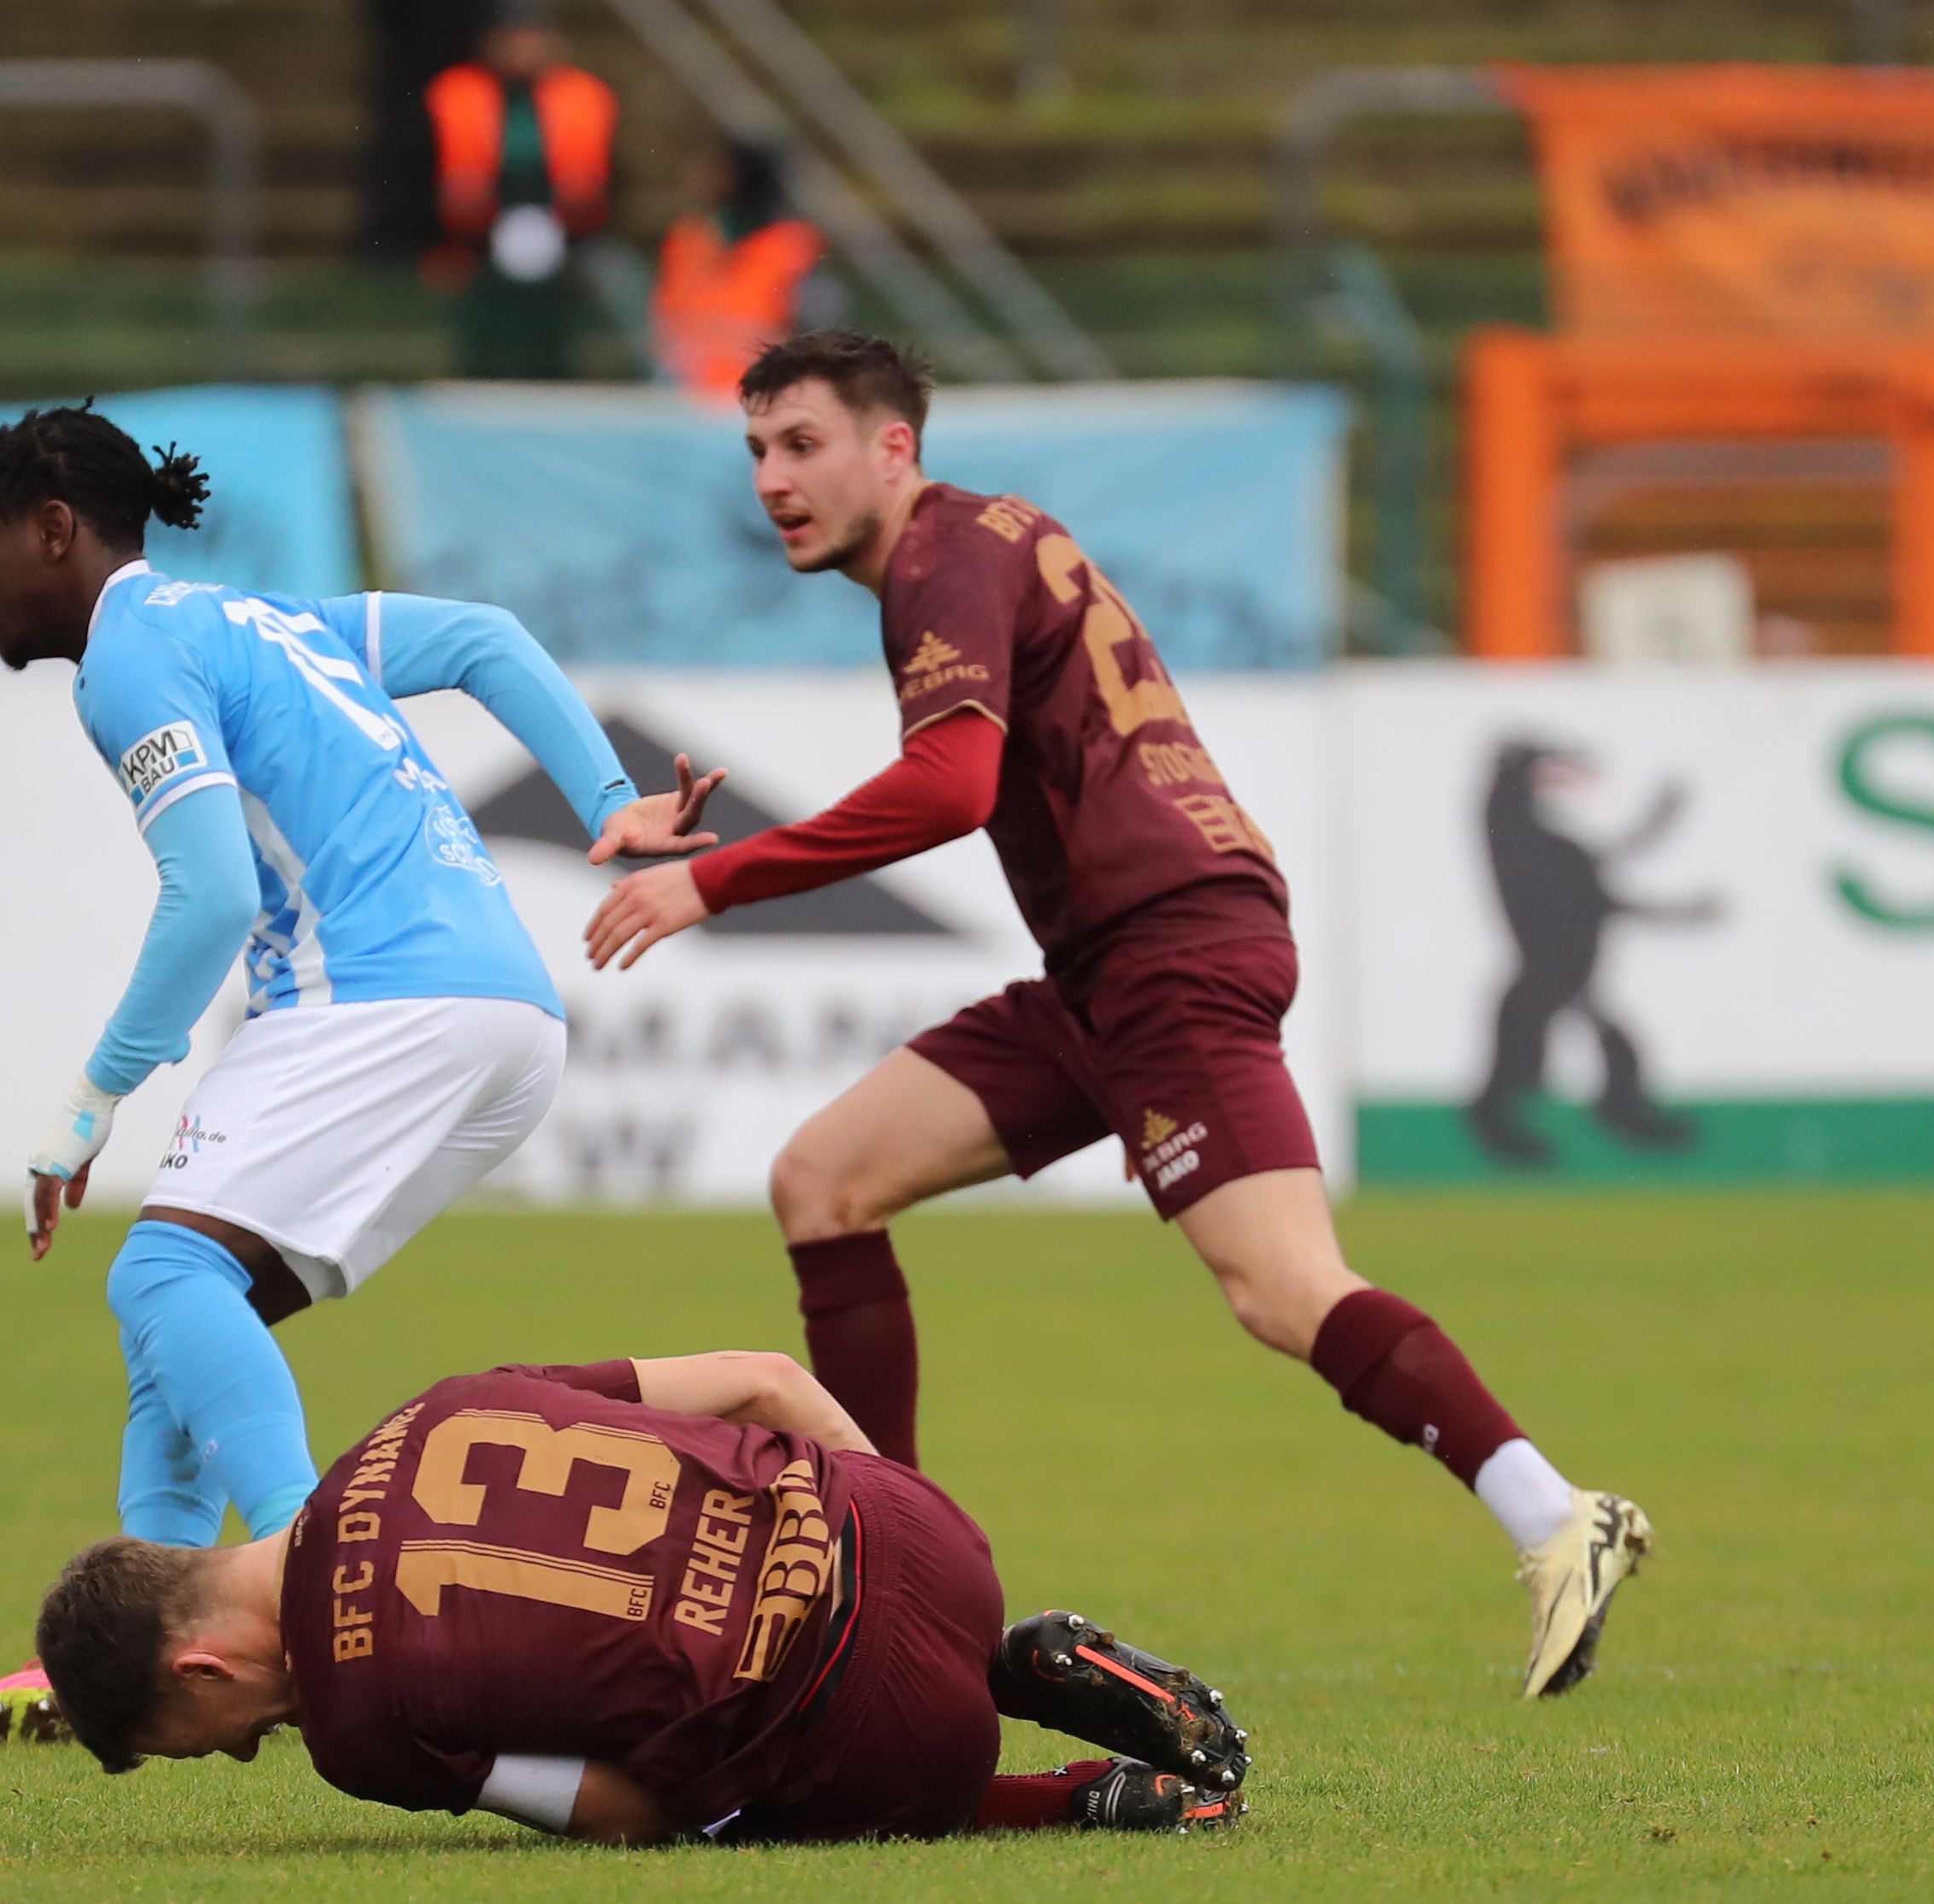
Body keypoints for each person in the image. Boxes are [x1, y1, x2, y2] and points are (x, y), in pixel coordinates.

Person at [581, 331, 1657, 1700]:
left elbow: (951, 786)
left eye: (802, 445)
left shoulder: (939, 558)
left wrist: (714, 881)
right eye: (756, 453)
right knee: (824, 1180)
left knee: (1282, 1287)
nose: (772, 481)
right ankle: (897, 1568)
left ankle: (1553, 1514)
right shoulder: (979, 539)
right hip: (1108, 965)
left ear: (893, 448)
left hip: (1169, 952)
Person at [0, 402, 724, 1568]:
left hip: (380, 992)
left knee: (165, 1274)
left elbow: (210, 894)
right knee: (184, 1323)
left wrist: (94, 1097)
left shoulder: (128, 658)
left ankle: (314, 1577)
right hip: (507, 1013)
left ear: (54, 530)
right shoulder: (270, 619)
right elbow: (486, 637)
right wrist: (608, 798)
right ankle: (153, 1632)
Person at [0, 1350, 1251, 1846]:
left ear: (200, 1668)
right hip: (917, 1530)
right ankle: (1009, 1657)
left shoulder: (359, 1735)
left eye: (205, 1740)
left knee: (727, 1810)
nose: (240, 1750)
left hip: (892, 1733)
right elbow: (764, 1379)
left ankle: (1077, 1799)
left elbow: (628, 1812)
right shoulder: (433, 1406)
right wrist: (898, 1525)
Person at [423, 3, 618, 380]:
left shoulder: (586, 96)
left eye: (533, 39)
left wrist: (584, 222)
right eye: (512, 40)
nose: (523, 50)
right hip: (473, 243)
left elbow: (608, 183)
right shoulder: (455, 93)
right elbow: (423, 177)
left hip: (569, 240)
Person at [650, 139, 832, 395]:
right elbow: (664, 324)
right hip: (684, 388)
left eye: (719, 169)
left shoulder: (793, 244)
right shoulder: (688, 239)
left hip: (759, 390)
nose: (702, 176)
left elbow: (812, 329)